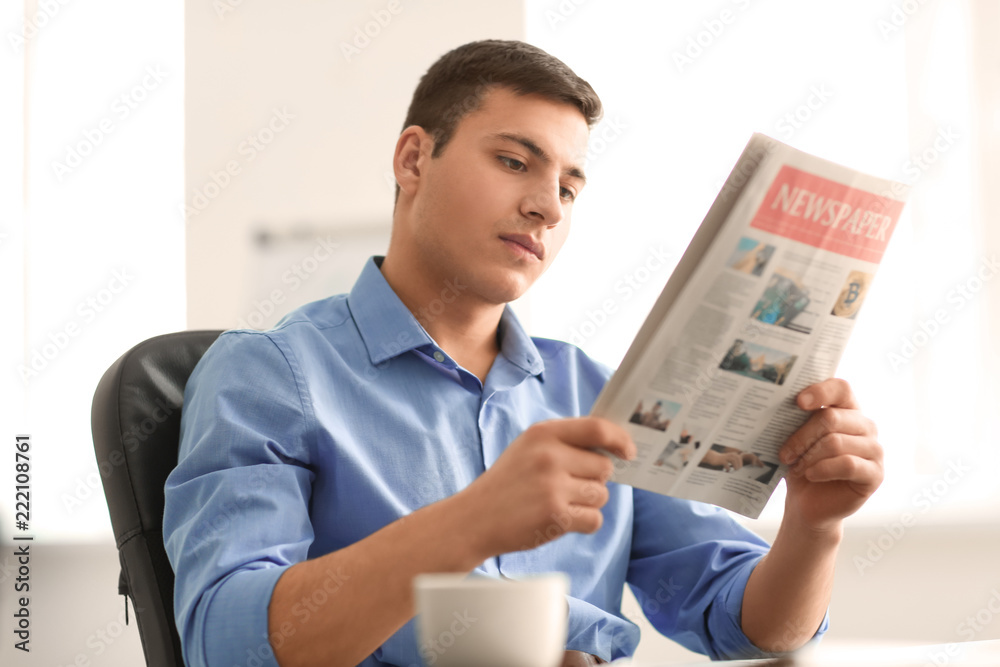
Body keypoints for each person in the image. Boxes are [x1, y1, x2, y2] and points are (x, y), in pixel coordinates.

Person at [163, 40, 883, 667]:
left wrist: (814, 525)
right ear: (414, 158)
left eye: (570, 186)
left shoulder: (593, 394)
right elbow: (226, 645)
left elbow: (752, 625)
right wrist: (470, 522)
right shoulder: (269, 374)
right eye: (515, 161)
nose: (548, 205)